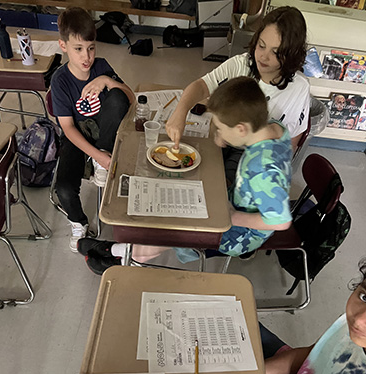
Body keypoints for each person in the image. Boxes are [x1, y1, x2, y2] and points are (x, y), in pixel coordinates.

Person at [77, 77, 292, 274]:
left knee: (173, 232)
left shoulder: (262, 169)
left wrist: (232, 217)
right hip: (234, 199)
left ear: (241, 129)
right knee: (183, 194)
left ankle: (120, 255)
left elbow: (280, 221)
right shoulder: (274, 128)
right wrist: (229, 138)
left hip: (238, 233)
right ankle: (123, 249)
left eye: (220, 128)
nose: (218, 133)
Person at [166, 6, 309, 182]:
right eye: (261, 46)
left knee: (220, 189)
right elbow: (201, 86)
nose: (263, 57)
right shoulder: (241, 65)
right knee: (190, 168)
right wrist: (180, 112)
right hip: (223, 137)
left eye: (276, 53)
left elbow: (291, 141)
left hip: (254, 155)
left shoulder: (298, 88)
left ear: (291, 54)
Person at [51, 7, 134, 252]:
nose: (86, 56)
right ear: (63, 46)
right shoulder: (60, 81)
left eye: (91, 48)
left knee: (117, 97)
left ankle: (102, 159)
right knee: (63, 188)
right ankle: (78, 222)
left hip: (103, 132)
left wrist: (107, 81)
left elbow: (130, 97)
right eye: (78, 49)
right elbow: (67, 127)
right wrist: (96, 154)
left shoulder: (101, 66)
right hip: (77, 135)